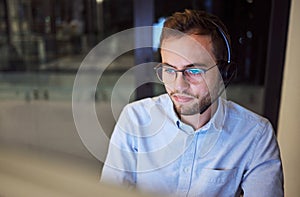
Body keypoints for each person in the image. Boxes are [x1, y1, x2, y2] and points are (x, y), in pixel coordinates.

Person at [101, 9, 283, 197]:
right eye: (169, 70)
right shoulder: (135, 119)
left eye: (194, 71)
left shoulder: (255, 135)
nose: (179, 85)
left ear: (224, 73)